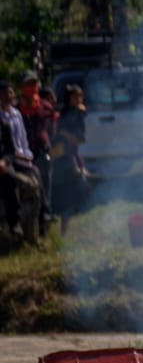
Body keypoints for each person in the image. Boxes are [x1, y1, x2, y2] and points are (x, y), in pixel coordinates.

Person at [0, 81, 42, 243]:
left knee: (17, 178)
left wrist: (4, 161)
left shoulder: (6, 123)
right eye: (5, 94)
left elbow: (10, 149)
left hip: (6, 162)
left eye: (10, 93)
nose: (8, 97)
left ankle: (17, 224)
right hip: (11, 161)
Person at [16, 71, 53, 229]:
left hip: (43, 151)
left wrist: (49, 144)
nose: (33, 87)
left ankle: (45, 221)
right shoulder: (16, 109)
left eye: (34, 84)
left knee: (45, 184)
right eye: (28, 84)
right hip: (24, 154)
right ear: (22, 87)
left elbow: (52, 128)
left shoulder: (45, 107)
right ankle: (37, 217)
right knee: (34, 187)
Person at [51, 84, 90, 225]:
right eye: (75, 96)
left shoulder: (79, 114)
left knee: (80, 181)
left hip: (72, 154)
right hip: (61, 155)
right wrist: (65, 136)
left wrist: (69, 136)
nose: (78, 99)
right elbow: (58, 131)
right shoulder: (62, 113)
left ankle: (69, 219)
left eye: (80, 96)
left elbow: (80, 138)